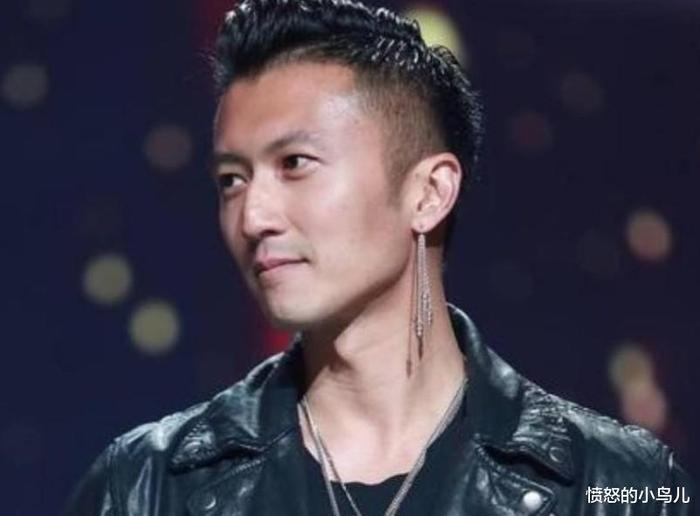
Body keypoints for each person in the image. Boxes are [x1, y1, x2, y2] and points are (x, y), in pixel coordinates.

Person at [65, 0, 696, 514]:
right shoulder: (145, 487)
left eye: (295, 164)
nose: (253, 217)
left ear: (429, 194)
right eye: (232, 179)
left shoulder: (617, 486)